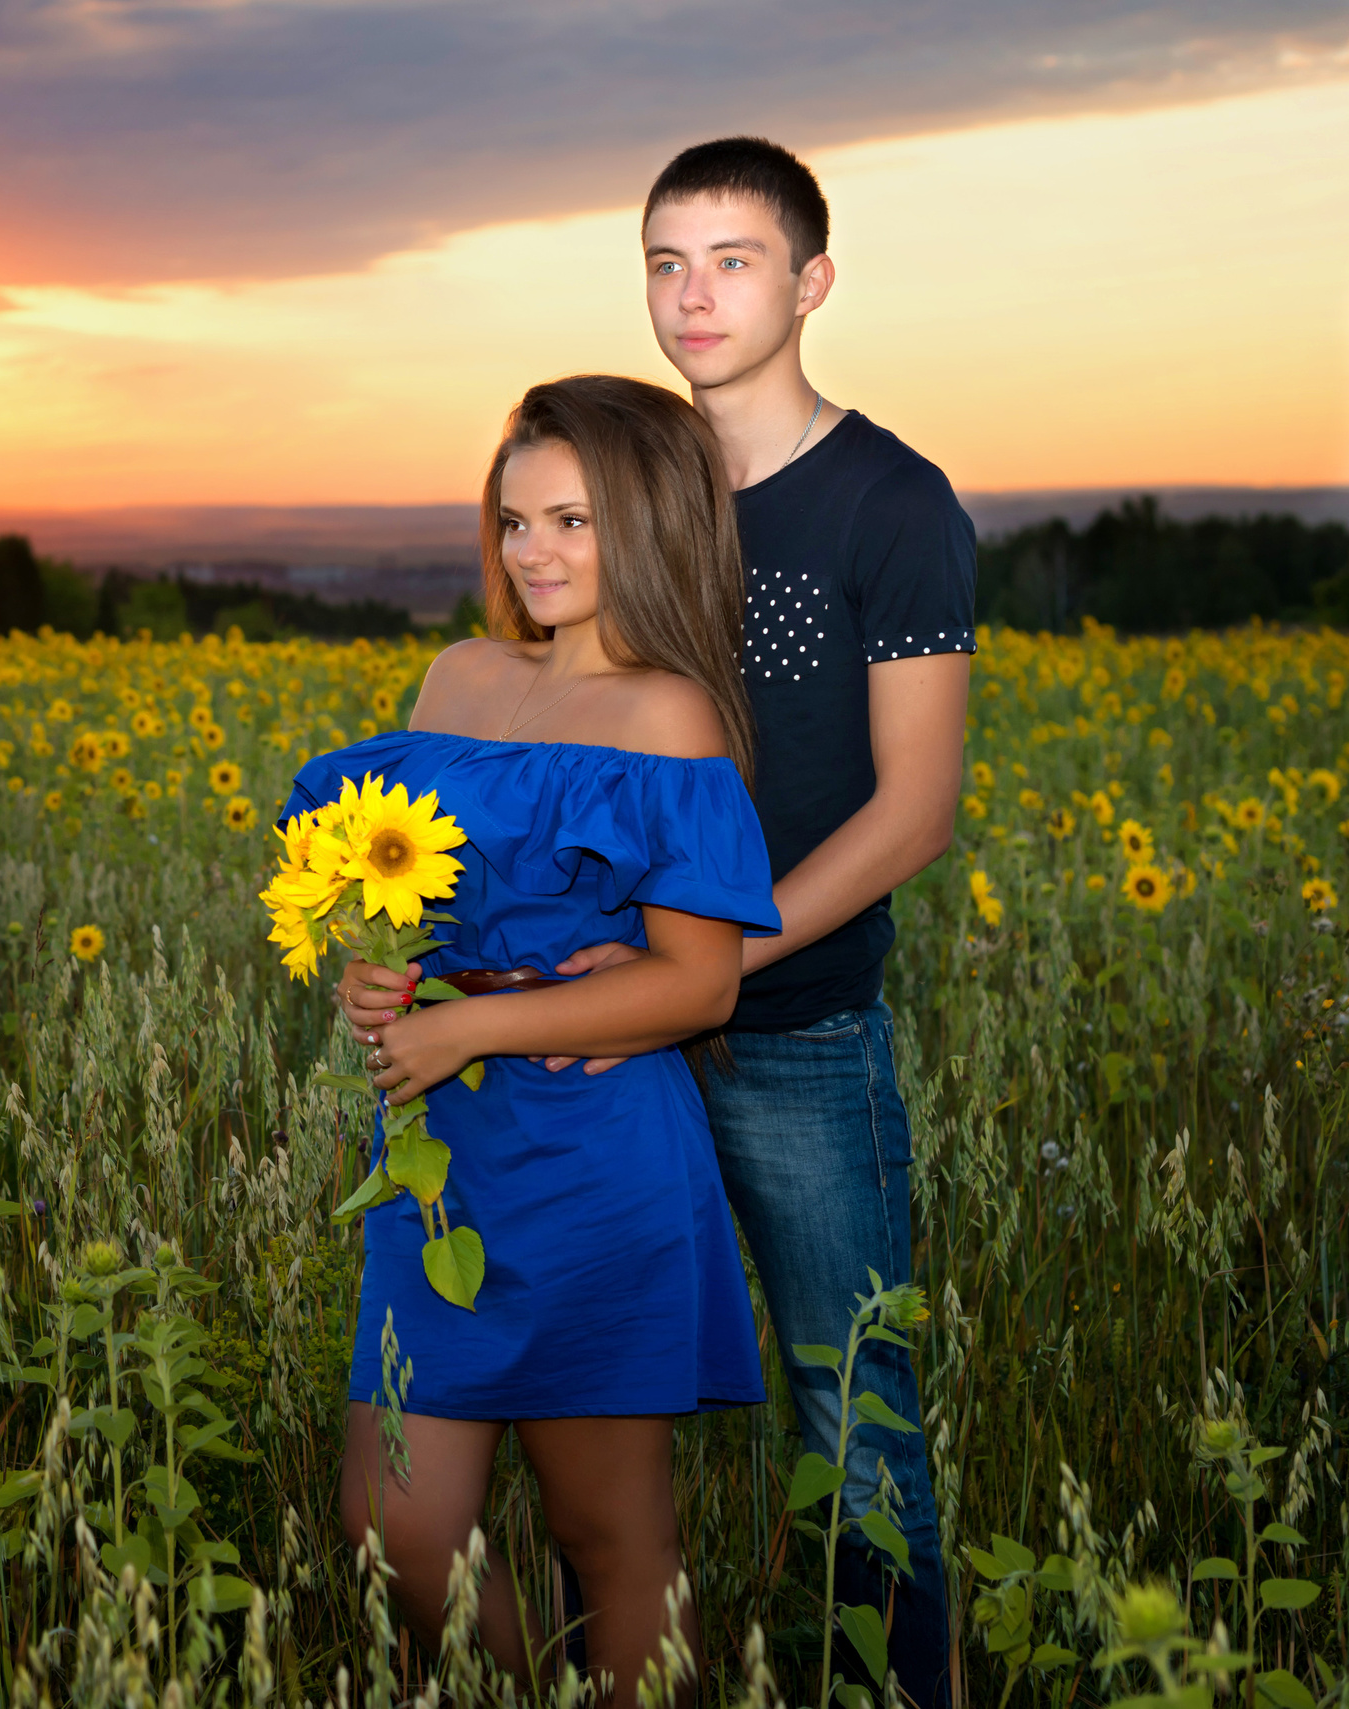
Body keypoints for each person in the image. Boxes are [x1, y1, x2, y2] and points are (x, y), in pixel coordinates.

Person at [345, 137, 972, 1709]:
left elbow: (913, 811)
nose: (694, 296)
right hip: (585, 1056)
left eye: (735, 261)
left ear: (811, 281)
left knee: (853, 1404)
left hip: (796, 1025)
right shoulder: (635, 475)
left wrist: (699, 966)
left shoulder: (891, 503)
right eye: (665, 264)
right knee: (581, 1461)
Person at [315, 373, 777, 1709]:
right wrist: (388, 985)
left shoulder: (669, 714)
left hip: (596, 1153)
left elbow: (701, 985)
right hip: (441, 1157)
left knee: (612, 1537)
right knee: (390, 1526)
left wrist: (490, 1026)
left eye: (571, 520)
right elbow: (407, 892)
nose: (534, 554)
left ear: (648, 522)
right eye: (516, 522)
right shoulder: (458, 675)